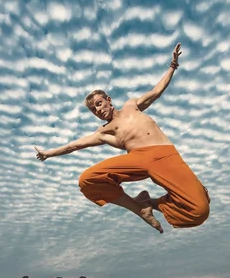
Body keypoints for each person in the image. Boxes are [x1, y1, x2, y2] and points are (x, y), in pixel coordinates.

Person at [34, 43, 210, 233]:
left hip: (166, 155)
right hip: (138, 158)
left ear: (109, 100)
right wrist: (48, 153)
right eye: (94, 109)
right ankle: (139, 208)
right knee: (88, 179)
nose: (98, 110)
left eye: (99, 104)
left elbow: (156, 91)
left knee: (199, 210)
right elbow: (74, 146)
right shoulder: (104, 132)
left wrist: (172, 67)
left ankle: (149, 202)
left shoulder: (131, 105)